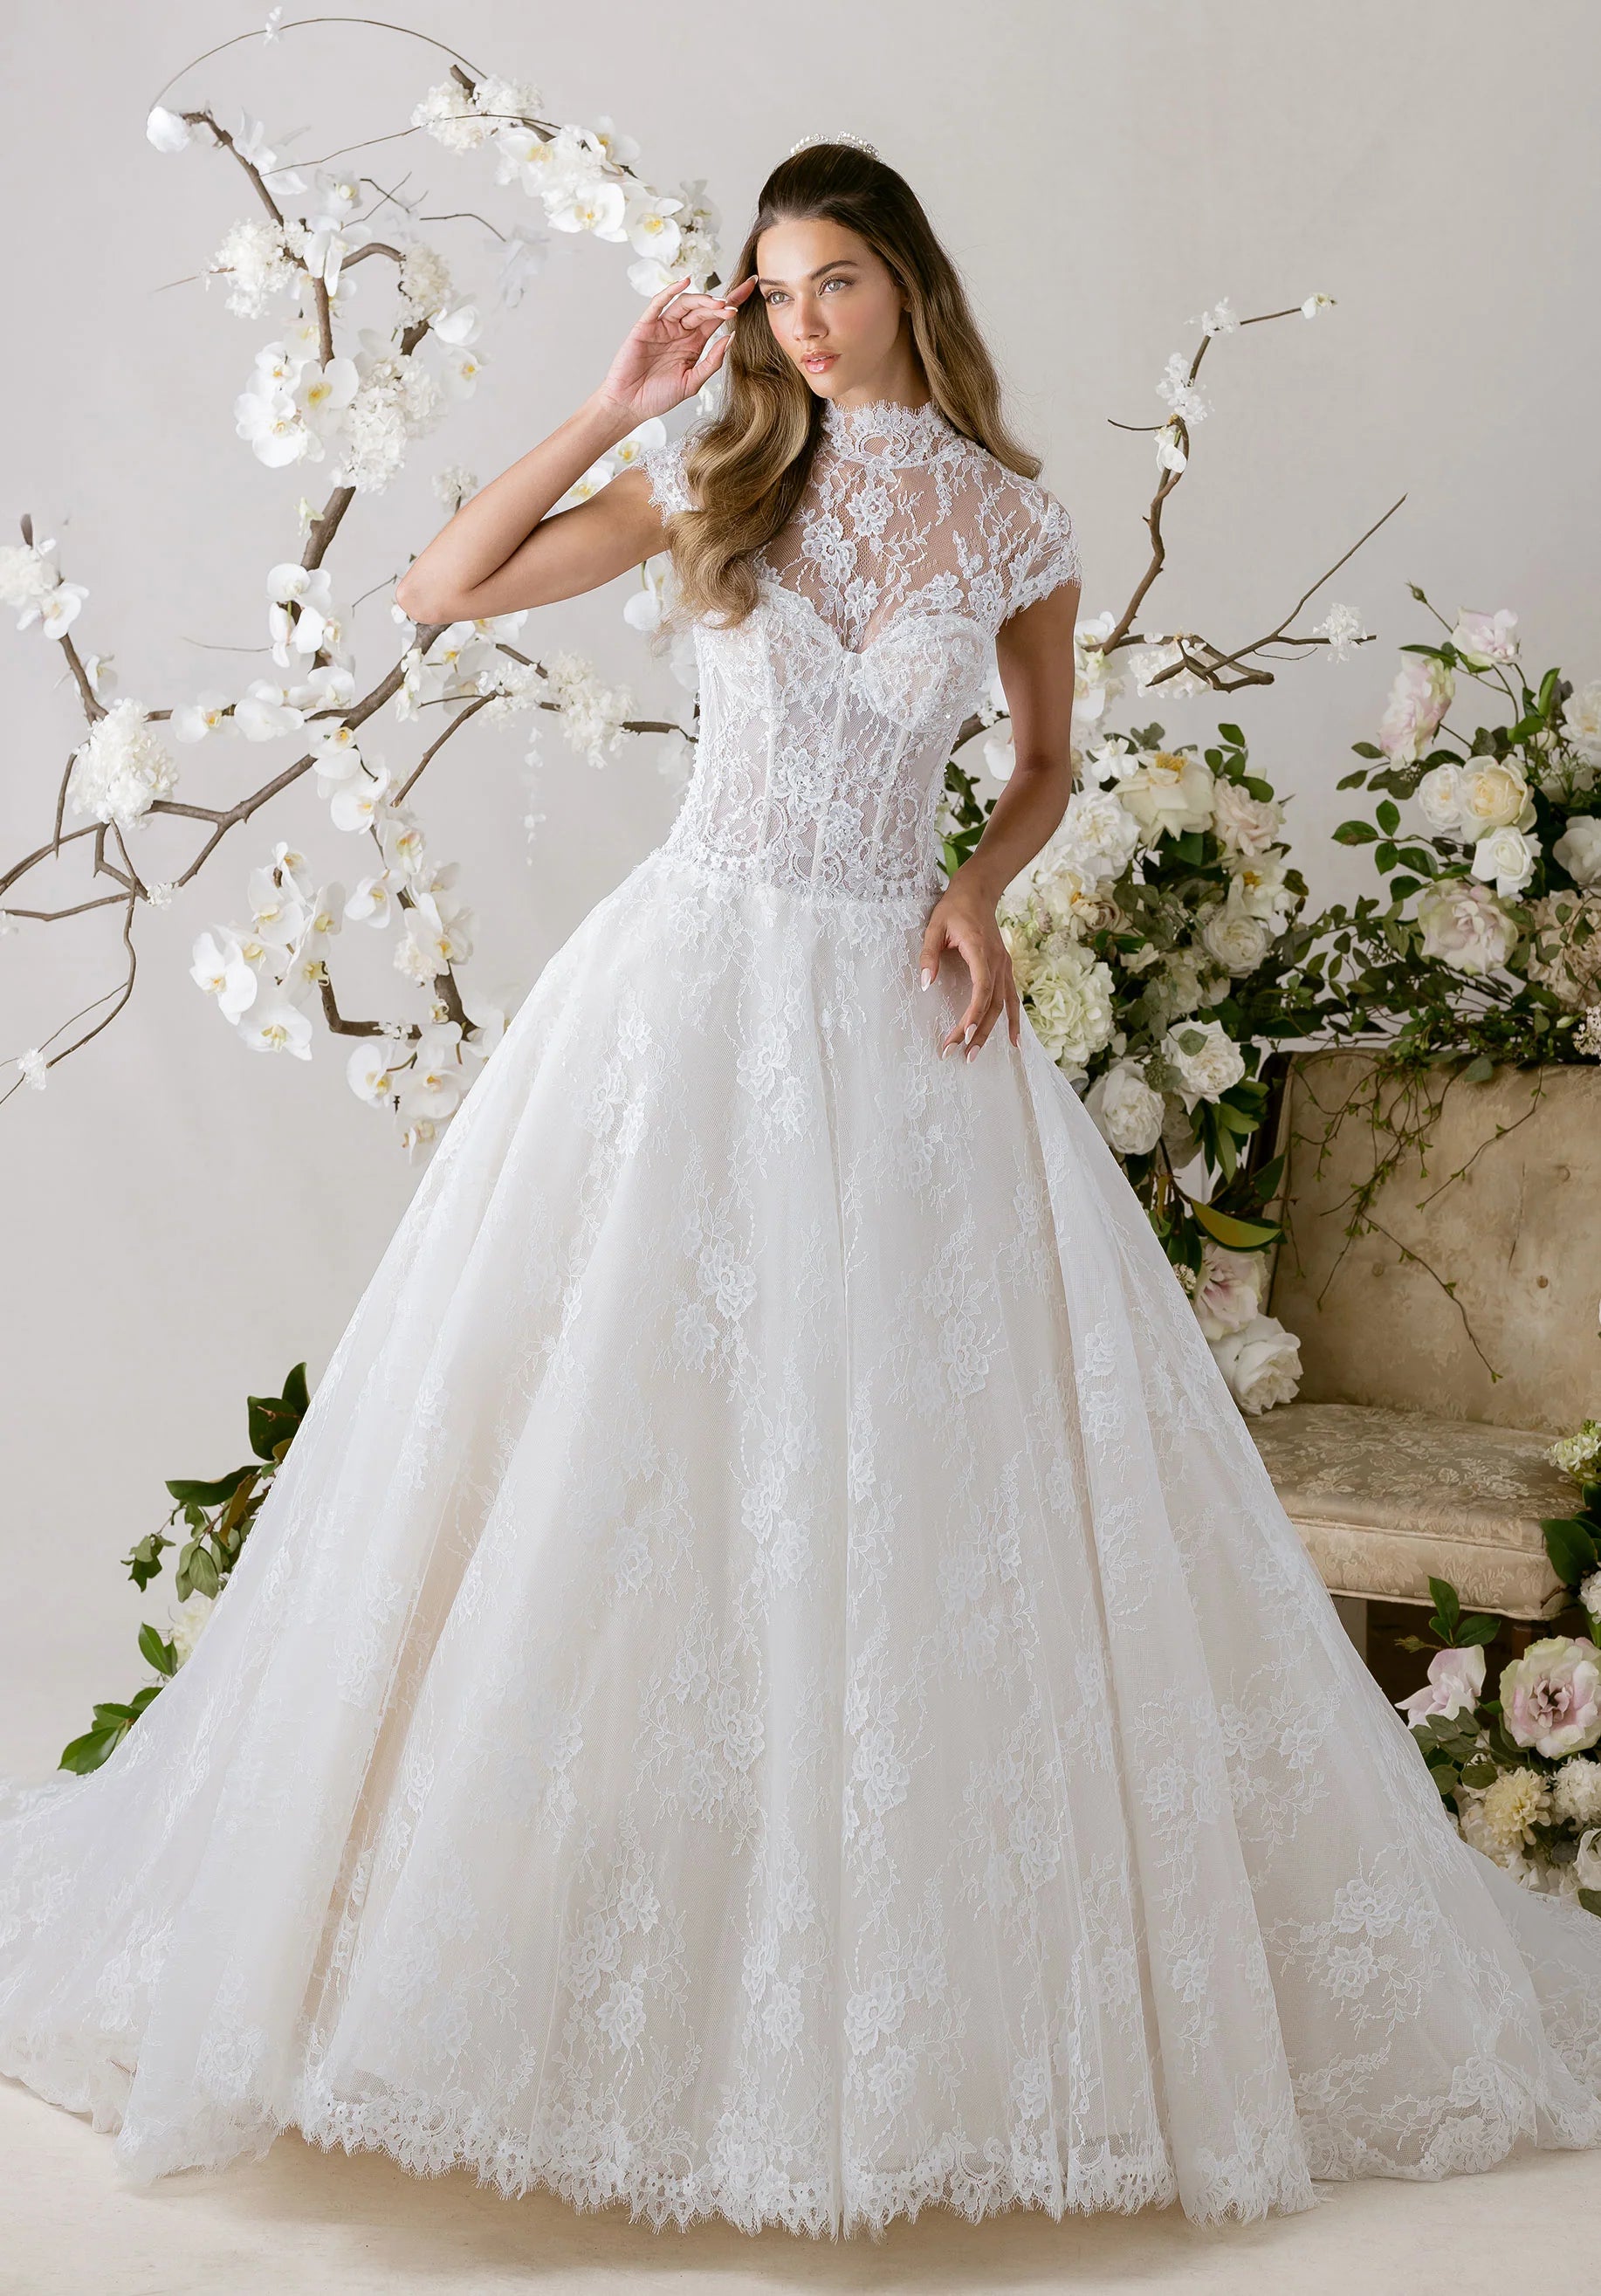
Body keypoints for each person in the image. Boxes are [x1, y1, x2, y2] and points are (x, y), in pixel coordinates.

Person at [3, 137, 1601, 2244]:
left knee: (895, 1500)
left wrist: (974, 890)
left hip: (894, 1025)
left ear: (905, 278)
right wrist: (613, 401)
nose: (799, 318)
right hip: (680, 1005)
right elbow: (440, 589)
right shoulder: (715, 482)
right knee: (613, 1461)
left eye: (828, 277)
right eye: (770, 290)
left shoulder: (1014, 518)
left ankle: (859, 2012)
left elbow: (1033, 764)